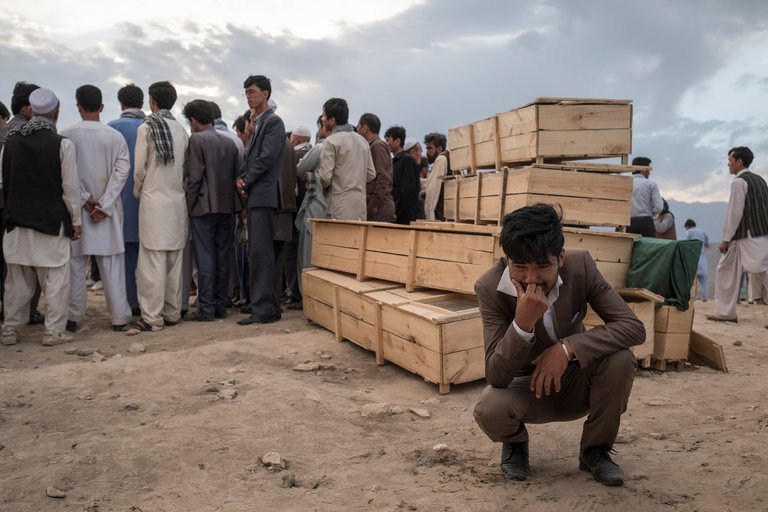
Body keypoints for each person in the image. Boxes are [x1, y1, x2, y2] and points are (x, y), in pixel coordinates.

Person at [472, 203, 644, 486]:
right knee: (490, 405)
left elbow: (632, 327)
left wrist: (567, 348)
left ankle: (595, 451)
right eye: (519, 267)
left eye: (542, 266)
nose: (530, 279)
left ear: (560, 257)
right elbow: (496, 375)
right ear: (506, 260)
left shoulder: (582, 267)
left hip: (578, 380)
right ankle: (515, 443)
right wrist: (522, 324)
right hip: (527, 389)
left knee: (621, 359)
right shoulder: (489, 288)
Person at [0, 88, 82, 346]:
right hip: (51, 223)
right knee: (56, 280)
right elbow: (70, 189)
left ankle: (10, 330)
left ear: (32, 111)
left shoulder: (10, 143)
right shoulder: (62, 144)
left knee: (17, 280)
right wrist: (76, 222)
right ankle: (54, 332)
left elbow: (3, 181)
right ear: (55, 114)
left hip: (17, 223)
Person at [61, 84, 133, 333]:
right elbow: (122, 174)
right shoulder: (114, 136)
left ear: (78, 107)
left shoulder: (66, 135)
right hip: (108, 212)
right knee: (112, 265)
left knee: (76, 266)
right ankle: (119, 318)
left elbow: (63, 175)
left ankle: (72, 318)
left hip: (77, 210)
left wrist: (84, 199)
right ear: (101, 107)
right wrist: (105, 204)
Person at [131, 81, 189, 332]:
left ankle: (152, 318)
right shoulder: (182, 131)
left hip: (154, 201)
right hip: (177, 202)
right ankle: (172, 313)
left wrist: (139, 192)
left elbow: (139, 170)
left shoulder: (146, 128)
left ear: (152, 100)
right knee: (174, 261)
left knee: (152, 262)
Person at [182, 99, 242, 321]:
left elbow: (194, 177)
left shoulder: (196, 140)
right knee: (223, 257)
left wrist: (189, 205)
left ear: (194, 120)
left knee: (205, 257)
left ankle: (206, 308)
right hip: (228, 206)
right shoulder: (229, 143)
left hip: (204, 206)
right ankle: (219, 306)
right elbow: (237, 175)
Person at [235, 75, 285, 326]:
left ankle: (263, 308)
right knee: (258, 251)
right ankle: (266, 305)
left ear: (265, 94)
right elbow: (253, 158)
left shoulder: (273, 122)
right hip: (258, 193)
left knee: (260, 252)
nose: (248, 96)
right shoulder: (258, 123)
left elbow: (266, 158)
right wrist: (244, 179)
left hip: (263, 194)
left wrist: (247, 180)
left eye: (252, 91)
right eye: (246, 92)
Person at [0, 81, 45, 325]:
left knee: (9, 264)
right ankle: (27, 313)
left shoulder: (4, 130)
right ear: (29, 107)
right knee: (30, 263)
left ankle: (9, 312)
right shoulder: (29, 132)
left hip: (6, 203)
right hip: (23, 205)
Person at [707, 146, 768, 323]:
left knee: (763, 270)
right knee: (726, 269)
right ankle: (725, 313)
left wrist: (725, 239)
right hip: (757, 233)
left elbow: (735, 213)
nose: (728, 164)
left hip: (748, 235)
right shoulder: (759, 180)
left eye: (730, 161)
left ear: (739, 162)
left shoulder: (739, 182)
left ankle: (725, 313)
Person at [107, 83, 145, 317]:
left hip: (117, 202)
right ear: (142, 103)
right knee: (148, 257)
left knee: (122, 259)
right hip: (145, 201)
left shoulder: (110, 128)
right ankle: (146, 302)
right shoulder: (148, 127)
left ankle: (128, 304)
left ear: (121, 103)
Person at [317, 98, 375, 221]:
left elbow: (325, 178)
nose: (322, 119)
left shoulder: (331, 141)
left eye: (324, 115)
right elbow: (371, 174)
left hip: (338, 206)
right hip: (359, 206)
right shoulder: (363, 141)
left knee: (337, 240)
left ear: (332, 120)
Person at [357, 113, 395, 222]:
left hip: (380, 207)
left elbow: (383, 176)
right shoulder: (371, 146)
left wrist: (374, 204)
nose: (357, 131)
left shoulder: (377, 146)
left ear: (365, 128)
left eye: (358, 127)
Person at [385, 126, 420, 225]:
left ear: (397, 141)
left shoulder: (407, 160)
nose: (386, 144)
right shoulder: (393, 161)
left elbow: (407, 191)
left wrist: (397, 212)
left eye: (388, 140)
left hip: (404, 216)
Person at [627, 157, 662, 237]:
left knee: (628, 248)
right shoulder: (651, 184)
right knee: (648, 248)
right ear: (643, 170)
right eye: (649, 170)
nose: (649, 173)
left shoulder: (624, 183)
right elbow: (659, 207)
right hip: (646, 223)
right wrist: (650, 212)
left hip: (627, 223)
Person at [423, 132, 449, 221]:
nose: (427, 152)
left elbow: (433, 190)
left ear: (439, 148)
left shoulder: (441, 159)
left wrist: (430, 217)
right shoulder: (447, 158)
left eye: (430, 148)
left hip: (440, 215)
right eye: (426, 148)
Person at [683, 219, 710, 301]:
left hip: (692, 258)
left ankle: (693, 298)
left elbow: (686, 245)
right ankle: (705, 297)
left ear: (687, 226)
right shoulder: (702, 232)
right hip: (702, 257)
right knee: (704, 280)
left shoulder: (688, 232)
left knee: (692, 280)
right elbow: (707, 245)